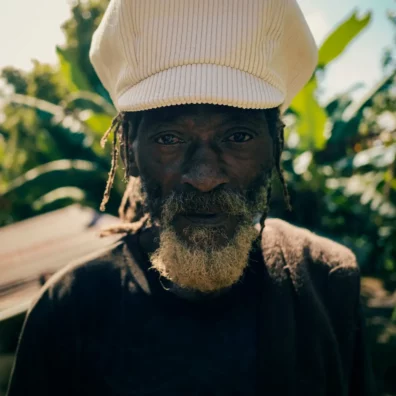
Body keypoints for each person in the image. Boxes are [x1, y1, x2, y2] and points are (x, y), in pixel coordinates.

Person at [7, 0, 375, 395]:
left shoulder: (326, 279)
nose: (204, 177)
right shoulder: (67, 312)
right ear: (129, 153)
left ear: (276, 148)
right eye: (169, 139)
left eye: (237, 137)